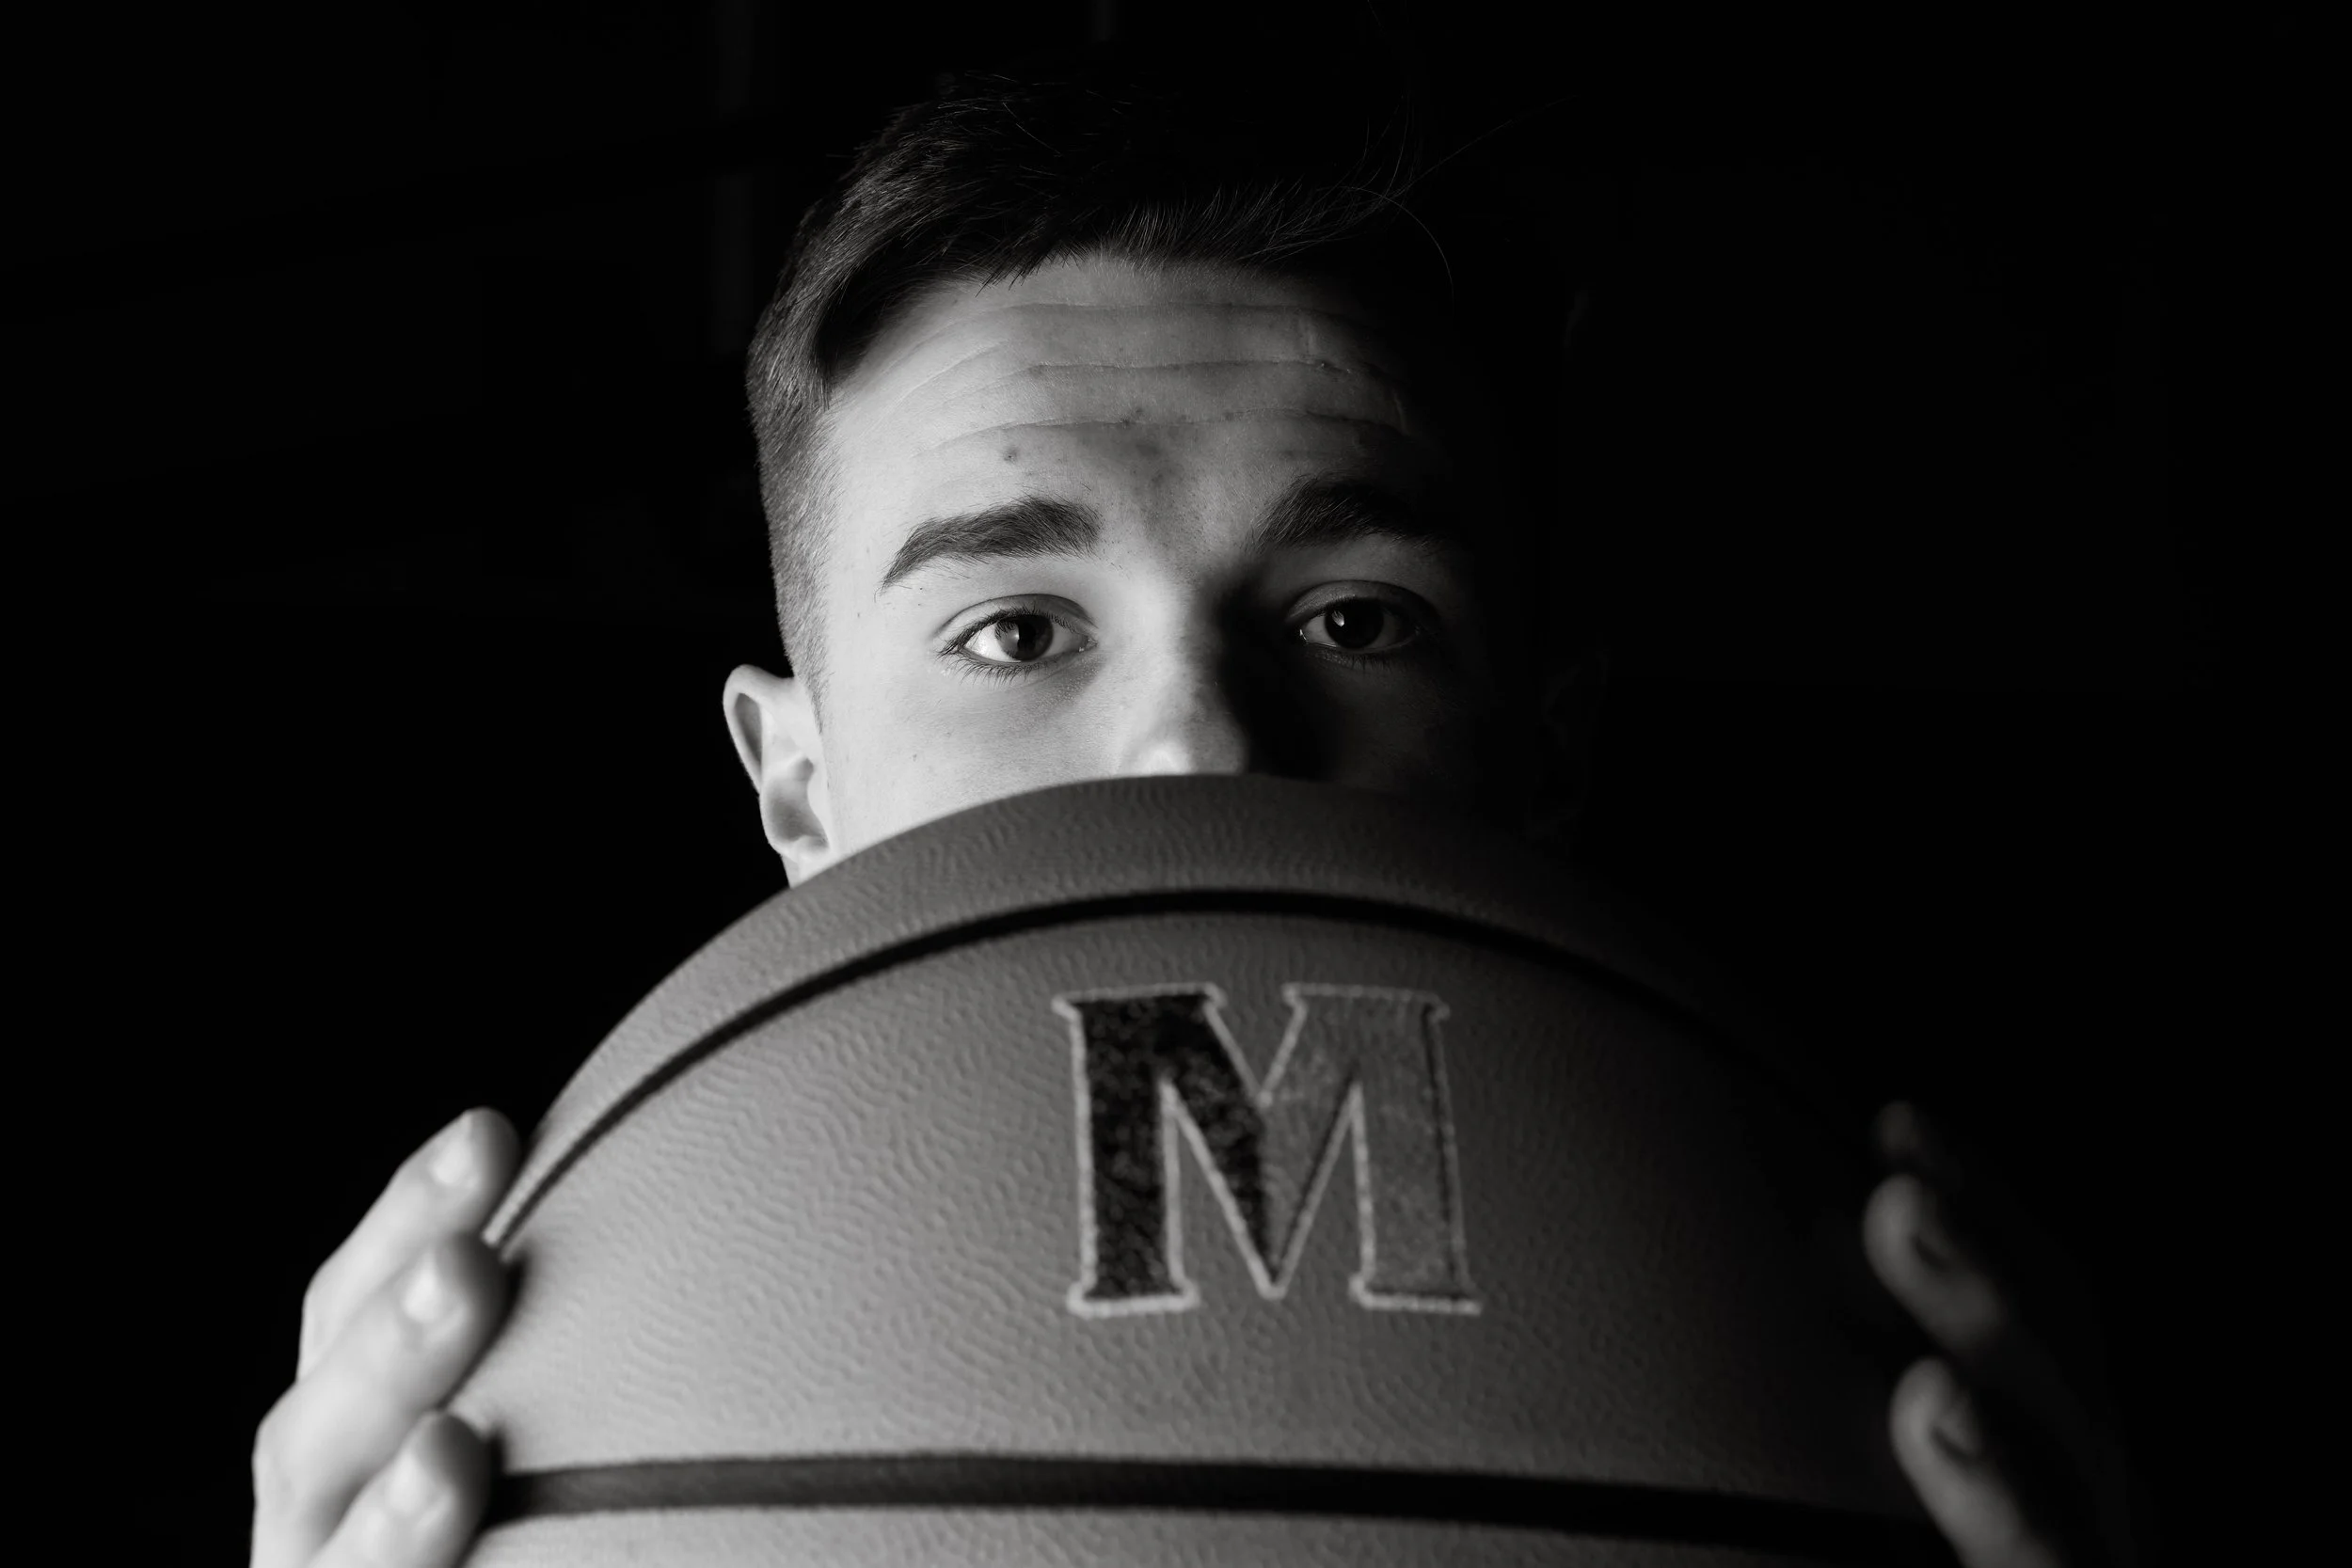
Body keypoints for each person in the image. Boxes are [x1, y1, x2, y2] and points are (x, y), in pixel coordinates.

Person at [248, 42, 2145, 1568]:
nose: (1197, 742)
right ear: (795, 777)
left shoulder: (1827, 1323)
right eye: (1014, 627)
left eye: (1353, 616)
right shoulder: (549, 1376)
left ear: (1540, 749)